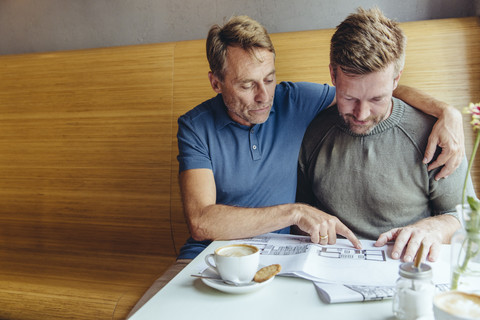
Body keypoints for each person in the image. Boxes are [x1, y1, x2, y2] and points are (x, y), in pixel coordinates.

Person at [177, 15, 465, 260]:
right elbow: (201, 221)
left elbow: (466, 217)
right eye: (246, 85)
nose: (264, 97)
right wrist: (295, 213)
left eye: (268, 79)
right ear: (216, 82)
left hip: (290, 260)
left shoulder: (295, 100)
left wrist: (447, 111)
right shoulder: (196, 127)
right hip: (215, 257)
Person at [296, 7, 475, 263]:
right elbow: (300, 216)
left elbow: (466, 215)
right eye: (349, 98)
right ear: (333, 74)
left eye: (377, 98)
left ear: (396, 80)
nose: (361, 113)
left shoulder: (435, 136)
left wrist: (433, 229)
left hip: (407, 270)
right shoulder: (313, 132)